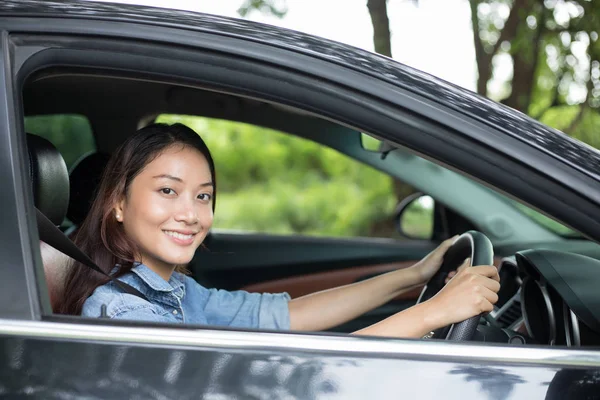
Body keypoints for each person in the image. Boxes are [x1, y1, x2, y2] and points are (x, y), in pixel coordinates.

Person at [56, 123, 500, 338]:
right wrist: (433, 313)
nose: (190, 214)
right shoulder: (123, 314)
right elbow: (289, 377)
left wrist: (414, 276)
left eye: (203, 196)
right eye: (168, 191)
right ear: (117, 201)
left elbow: (289, 315)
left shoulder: (173, 292)